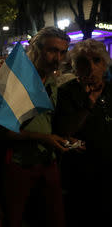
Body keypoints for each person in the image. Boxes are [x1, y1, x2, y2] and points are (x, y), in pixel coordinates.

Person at [0, 27, 71, 227]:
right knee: (13, 219)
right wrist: (44, 138)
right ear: (36, 49)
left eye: (63, 52)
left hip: (47, 161)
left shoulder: (53, 80)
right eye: (52, 50)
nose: (58, 58)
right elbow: (2, 130)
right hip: (18, 164)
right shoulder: (15, 77)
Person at [53, 39, 112, 226]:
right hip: (80, 175)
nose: (91, 68)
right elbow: (64, 131)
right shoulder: (66, 92)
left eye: (96, 61)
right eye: (83, 62)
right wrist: (91, 101)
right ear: (75, 66)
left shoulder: (110, 90)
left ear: (105, 64)